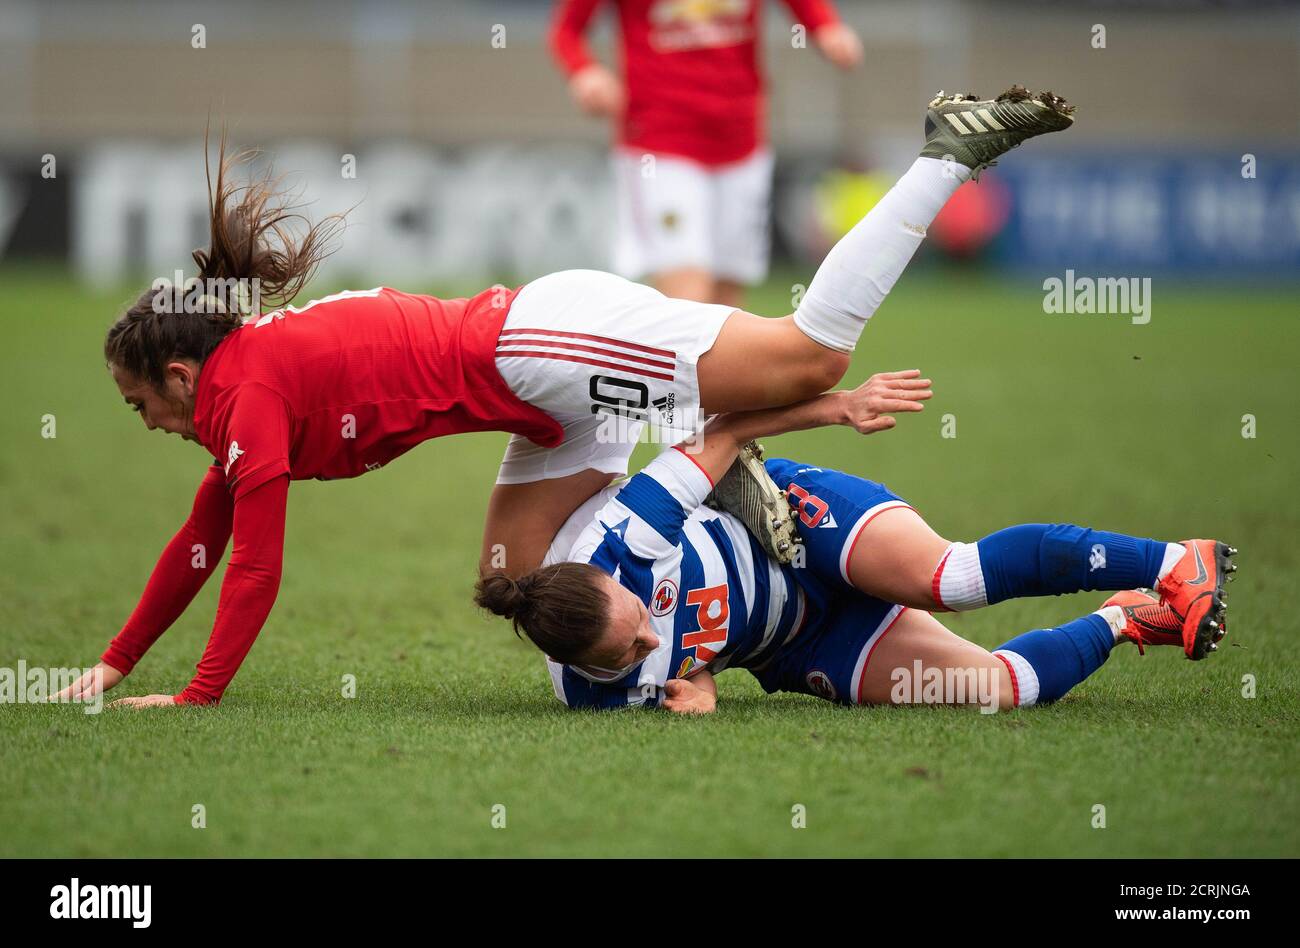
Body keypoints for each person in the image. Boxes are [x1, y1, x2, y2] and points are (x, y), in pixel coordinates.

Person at [57, 87, 1072, 708]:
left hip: (539, 346)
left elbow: (255, 566)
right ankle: (705, 472)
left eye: (138, 402)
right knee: (514, 581)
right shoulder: (237, 398)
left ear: (180, 376)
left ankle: (944, 152)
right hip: (536, 401)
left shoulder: (248, 400)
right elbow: (205, 539)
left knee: (806, 360)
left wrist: (196, 696)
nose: (146, 424)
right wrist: (113, 662)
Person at [476, 380, 1235, 713]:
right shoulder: (589, 695)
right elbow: (686, 675)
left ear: (612, 580)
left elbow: (723, 431)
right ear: (586, 668)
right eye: (629, 649)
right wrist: (698, 696)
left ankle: (1173, 560)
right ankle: (1129, 617)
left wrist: (839, 405)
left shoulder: (629, 537)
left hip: (796, 535)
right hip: (802, 640)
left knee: (954, 577)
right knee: (1005, 691)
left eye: (638, 615)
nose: (646, 636)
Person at [550, 0, 863, 307]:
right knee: (687, 295)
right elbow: (567, 31)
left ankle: (708, 360)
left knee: (727, 299)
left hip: (741, 141)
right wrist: (584, 72)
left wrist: (827, 28)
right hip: (660, 143)